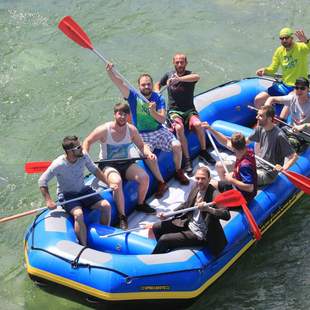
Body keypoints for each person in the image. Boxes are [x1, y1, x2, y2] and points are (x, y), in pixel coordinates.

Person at [105, 64, 189, 198]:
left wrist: (152, 111)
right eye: (143, 85)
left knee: (177, 145)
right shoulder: (133, 96)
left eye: (149, 84)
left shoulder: (158, 97)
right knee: (149, 156)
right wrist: (110, 72)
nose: (146, 87)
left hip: (158, 130)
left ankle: (178, 171)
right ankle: (162, 182)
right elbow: (119, 83)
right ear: (139, 86)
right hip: (142, 135)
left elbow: (161, 120)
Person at [83, 102, 157, 230]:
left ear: (128, 116)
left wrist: (149, 153)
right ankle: (122, 216)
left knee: (144, 177)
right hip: (108, 165)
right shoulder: (104, 130)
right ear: (115, 115)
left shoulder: (132, 130)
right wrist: (85, 154)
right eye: (119, 114)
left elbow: (141, 145)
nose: (122, 117)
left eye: (125, 114)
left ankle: (140, 203)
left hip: (126, 163)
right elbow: (87, 141)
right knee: (117, 182)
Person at [38, 136, 111, 246]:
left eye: (80, 145)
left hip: (83, 190)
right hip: (67, 195)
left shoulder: (84, 156)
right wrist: (48, 200)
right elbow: (42, 181)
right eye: (78, 147)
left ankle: (105, 236)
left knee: (106, 206)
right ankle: (84, 245)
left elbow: (94, 170)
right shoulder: (58, 164)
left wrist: (109, 183)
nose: (82, 148)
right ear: (69, 151)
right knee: (78, 214)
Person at [154, 53, 216, 174]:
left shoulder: (189, 75)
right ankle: (187, 159)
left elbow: (197, 77)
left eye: (182, 62)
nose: (180, 64)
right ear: (174, 63)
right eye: (177, 62)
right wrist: (157, 92)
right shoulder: (168, 75)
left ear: (186, 63)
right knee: (179, 128)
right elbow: (157, 84)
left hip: (189, 110)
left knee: (198, 124)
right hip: (174, 111)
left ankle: (203, 151)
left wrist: (178, 79)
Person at [150, 166, 231, 255]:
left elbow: (226, 214)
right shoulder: (196, 188)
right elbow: (186, 204)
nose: (199, 181)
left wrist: (208, 209)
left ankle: (154, 259)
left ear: (209, 179)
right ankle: (163, 251)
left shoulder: (215, 195)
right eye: (197, 178)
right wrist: (169, 214)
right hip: (188, 222)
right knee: (156, 227)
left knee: (164, 239)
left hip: (201, 233)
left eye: (203, 179)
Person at [255, 27, 310, 108]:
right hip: (284, 86)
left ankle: (283, 118)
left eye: (286, 38)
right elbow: (273, 69)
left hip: (299, 87)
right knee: (258, 99)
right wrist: (265, 70)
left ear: (292, 38)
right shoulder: (279, 51)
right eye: (282, 38)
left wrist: (306, 41)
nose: (284, 40)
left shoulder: (301, 47)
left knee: (290, 102)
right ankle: (265, 119)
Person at [201, 127, 257, 204]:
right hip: (238, 185)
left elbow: (250, 188)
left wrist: (231, 180)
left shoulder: (245, 165)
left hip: (242, 197)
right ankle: (225, 191)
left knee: (211, 190)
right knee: (212, 183)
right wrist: (210, 129)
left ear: (233, 148)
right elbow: (225, 141)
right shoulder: (247, 150)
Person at [248, 105, 298, 186]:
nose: (257, 117)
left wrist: (283, 168)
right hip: (257, 165)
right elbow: (246, 141)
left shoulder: (279, 136)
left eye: (260, 116)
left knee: (244, 177)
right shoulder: (260, 128)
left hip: (268, 173)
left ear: (269, 119)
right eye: (257, 114)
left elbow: (294, 157)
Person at [265, 77, 310, 152]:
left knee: (287, 145)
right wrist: (266, 110)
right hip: (290, 131)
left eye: (302, 88)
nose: (299, 90)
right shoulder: (292, 98)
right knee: (269, 134)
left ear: (308, 89)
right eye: (296, 88)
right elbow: (271, 99)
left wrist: (303, 126)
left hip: (304, 136)